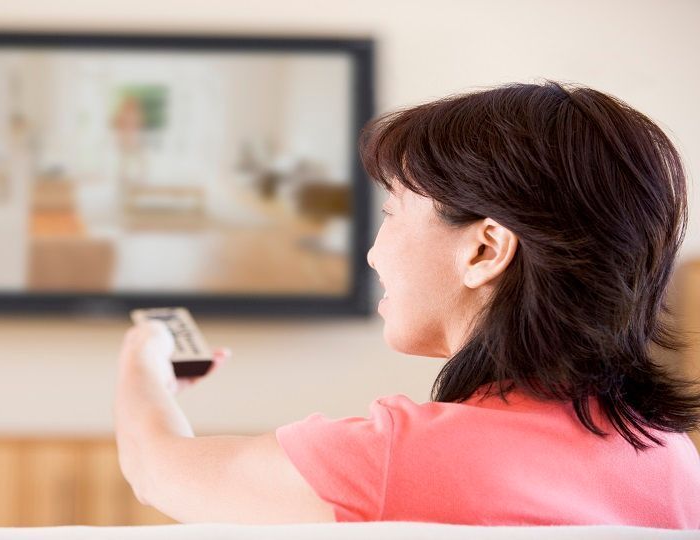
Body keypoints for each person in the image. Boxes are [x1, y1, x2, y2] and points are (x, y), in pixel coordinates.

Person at [113, 81, 700, 527]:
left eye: (392, 213)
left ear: (485, 249)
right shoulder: (669, 456)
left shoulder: (397, 458)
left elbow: (157, 469)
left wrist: (144, 366)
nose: (373, 254)